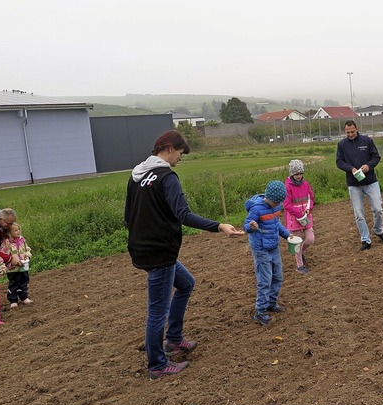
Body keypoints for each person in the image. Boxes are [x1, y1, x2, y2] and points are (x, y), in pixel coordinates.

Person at [125, 130, 244, 381]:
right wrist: (218, 226)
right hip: (161, 252)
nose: (180, 158)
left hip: (142, 248)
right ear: (168, 148)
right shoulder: (167, 178)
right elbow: (184, 215)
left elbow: (128, 215)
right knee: (157, 311)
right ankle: (157, 364)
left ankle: (174, 340)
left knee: (187, 283)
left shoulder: (137, 176)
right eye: (180, 153)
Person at [244, 180, 292, 326]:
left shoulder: (275, 207)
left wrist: (287, 235)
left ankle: (272, 303)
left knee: (278, 276)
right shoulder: (257, 209)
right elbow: (246, 225)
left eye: (280, 203)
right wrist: (252, 226)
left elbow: (276, 223)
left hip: (274, 247)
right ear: (270, 198)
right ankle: (260, 311)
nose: (279, 205)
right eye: (276, 202)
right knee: (265, 280)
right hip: (261, 249)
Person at [336, 120, 383, 251]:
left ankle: (378, 230)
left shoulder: (367, 141)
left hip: (370, 181)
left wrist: (368, 166)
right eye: (348, 132)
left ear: (356, 129)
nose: (350, 134)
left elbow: (376, 157)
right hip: (353, 184)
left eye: (352, 132)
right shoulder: (342, 145)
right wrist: (351, 169)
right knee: (359, 213)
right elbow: (339, 161)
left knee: (378, 209)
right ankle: (365, 239)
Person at [283, 159, 315, 273]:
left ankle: (301, 253)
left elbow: (311, 197)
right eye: (296, 174)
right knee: (297, 241)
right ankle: (299, 265)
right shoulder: (287, 187)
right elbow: (286, 204)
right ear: (292, 174)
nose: (299, 176)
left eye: (301, 173)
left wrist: (308, 209)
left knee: (310, 239)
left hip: (306, 217)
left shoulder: (305, 184)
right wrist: (298, 214)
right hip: (294, 219)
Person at [0, 222, 33, 308]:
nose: (18, 232)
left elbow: (27, 249)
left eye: (18, 230)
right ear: (9, 232)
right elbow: (3, 255)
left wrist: (27, 255)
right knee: (13, 284)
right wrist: (6, 248)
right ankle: (13, 300)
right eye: (15, 230)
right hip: (12, 268)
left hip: (23, 266)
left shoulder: (22, 239)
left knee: (24, 281)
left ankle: (24, 296)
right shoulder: (6, 243)